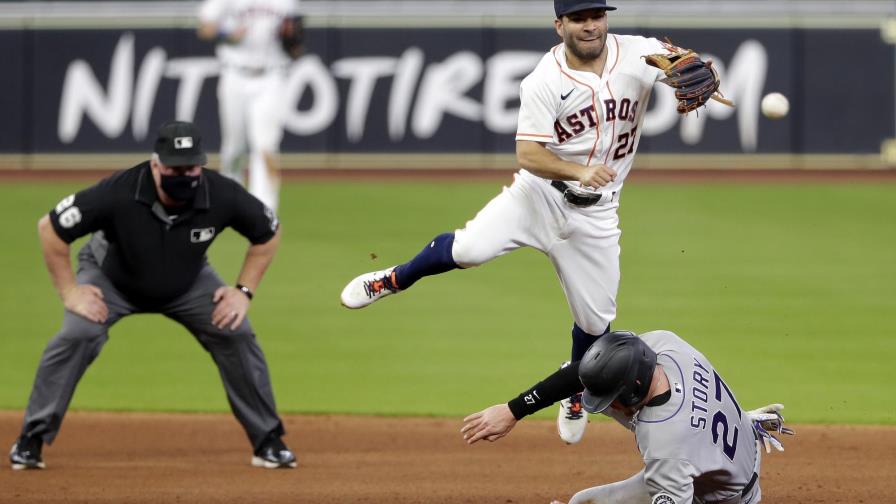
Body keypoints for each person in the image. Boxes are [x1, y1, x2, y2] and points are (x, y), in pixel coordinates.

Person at [340, 0, 720, 444]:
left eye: (597, 16)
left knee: (597, 329)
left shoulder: (638, 51)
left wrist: (700, 73)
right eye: (579, 18)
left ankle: (574, 391)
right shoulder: (544, 79)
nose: (590, 25)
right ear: (560, 25)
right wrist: (578, 170)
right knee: (468, 250)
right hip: (536, 197)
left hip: (596, 215)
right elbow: (529, 155)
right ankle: (393, 279)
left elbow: (685, 63)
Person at [8, 121, 296, 470]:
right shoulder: (118, 191)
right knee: (79, 333)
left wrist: (243, 292)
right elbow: (50, 229)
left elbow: (268, 234)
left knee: (234, 329)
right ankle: (31, 439)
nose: (184, 174)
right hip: (111, 280)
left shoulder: (221, 193)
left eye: (191, 167)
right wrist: (70, 291)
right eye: (175, 167)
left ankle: (267, 440)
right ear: (156, 164)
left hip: (187, 282)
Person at [461, 330, 794, 504]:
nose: (607, 406)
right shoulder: (666, 347)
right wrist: (514, 409)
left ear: (631, 391)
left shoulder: (665, 442)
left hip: (725, 496)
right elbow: (591, 370)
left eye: (612, 400)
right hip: (735, 439)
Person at [197, 0, 303, 212]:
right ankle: (229, 203)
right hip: (234, 74)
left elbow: (296, 43)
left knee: (266, 145)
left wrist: (291, 39)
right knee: (234, 145)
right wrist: (227, 34)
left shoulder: (286, 2)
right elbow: (204, 29)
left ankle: (264, 210)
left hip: (272, 76)